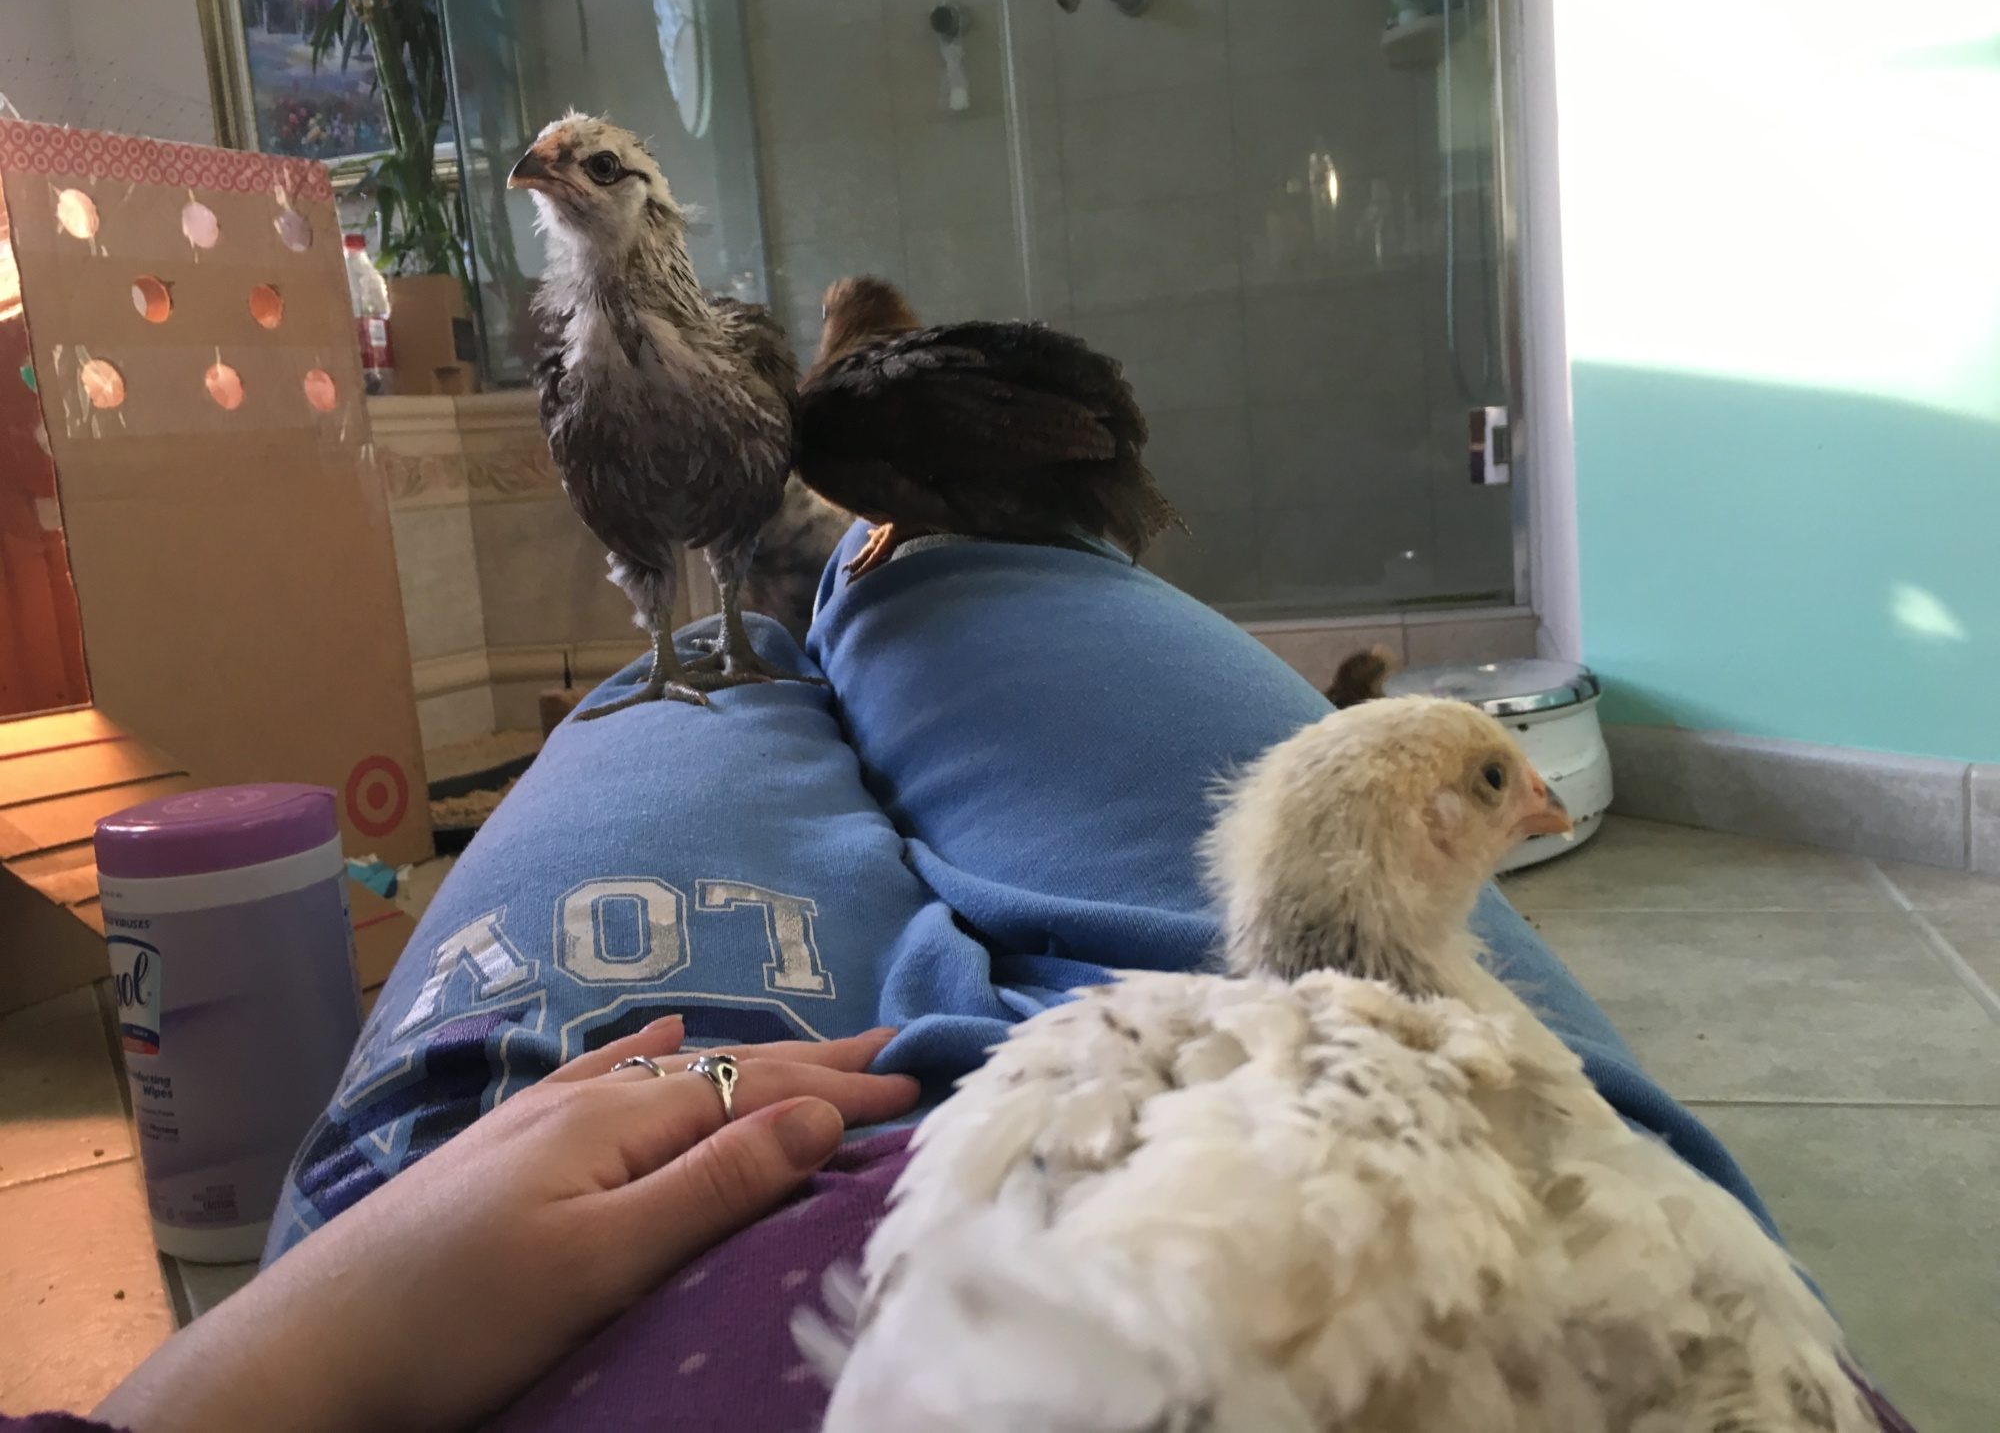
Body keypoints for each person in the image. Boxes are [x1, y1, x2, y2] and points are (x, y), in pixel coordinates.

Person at [7, 527, 1908, 1432]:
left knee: (692, 687)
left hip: (565, 1164)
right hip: (1461, 1108)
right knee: (993, 597)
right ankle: (918, 567)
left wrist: (243, 1384)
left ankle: (803, 608)